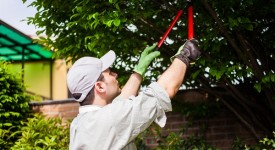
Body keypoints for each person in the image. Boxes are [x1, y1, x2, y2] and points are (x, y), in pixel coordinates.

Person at [67, 39, 201, 150]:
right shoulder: (110, 118)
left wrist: (139, 71)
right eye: (109, 72)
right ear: (100, 86)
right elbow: (164, 90)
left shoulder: (79, 123)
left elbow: (120, 105)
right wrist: (184, 56)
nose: (115, 74)